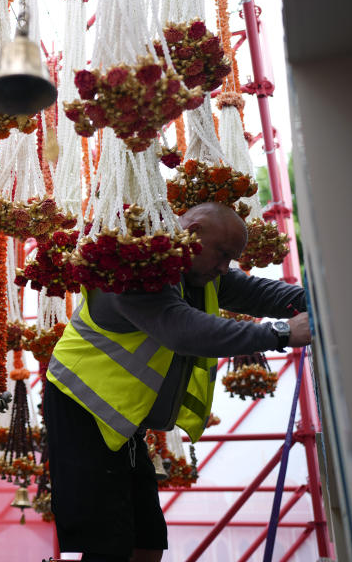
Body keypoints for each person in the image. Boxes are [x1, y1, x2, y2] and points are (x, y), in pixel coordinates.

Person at [44, 202, 311, 562]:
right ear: (193, 232)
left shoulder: (195, 270)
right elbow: (181, 329)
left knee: (148, 540)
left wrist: (321, 303)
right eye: (222, 255)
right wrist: (280, 333)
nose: (223, 267)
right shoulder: (135, 269)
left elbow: (259, 293)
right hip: (82, 408)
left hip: (119, 420)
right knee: (109, 542)